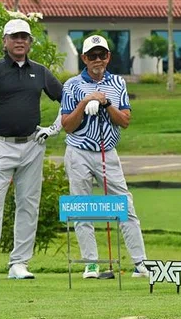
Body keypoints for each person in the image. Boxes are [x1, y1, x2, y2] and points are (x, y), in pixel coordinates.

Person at [0, 19, 63, 281]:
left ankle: (19, 263)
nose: (20, 41)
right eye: (15, 37)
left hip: (33, 145)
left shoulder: (40, 71)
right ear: (5, 41)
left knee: (28, 205)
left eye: (25, 37)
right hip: (2, 145)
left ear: (30, 42)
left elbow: (66, 98)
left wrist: (53, 128)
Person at [60, 35, 149, 279]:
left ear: (108, 57)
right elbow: (67, 125)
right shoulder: (72, 86)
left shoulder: (118, 83)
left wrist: (106, 102)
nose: (97, 60)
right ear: (84, 59)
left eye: (102, 55)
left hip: (107, 152)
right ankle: (91, 263)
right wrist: (85, 102)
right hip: (78, 152)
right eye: (92, 56)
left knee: (125, 206)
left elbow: (125, 121)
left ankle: (140, 262)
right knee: (81, 208)